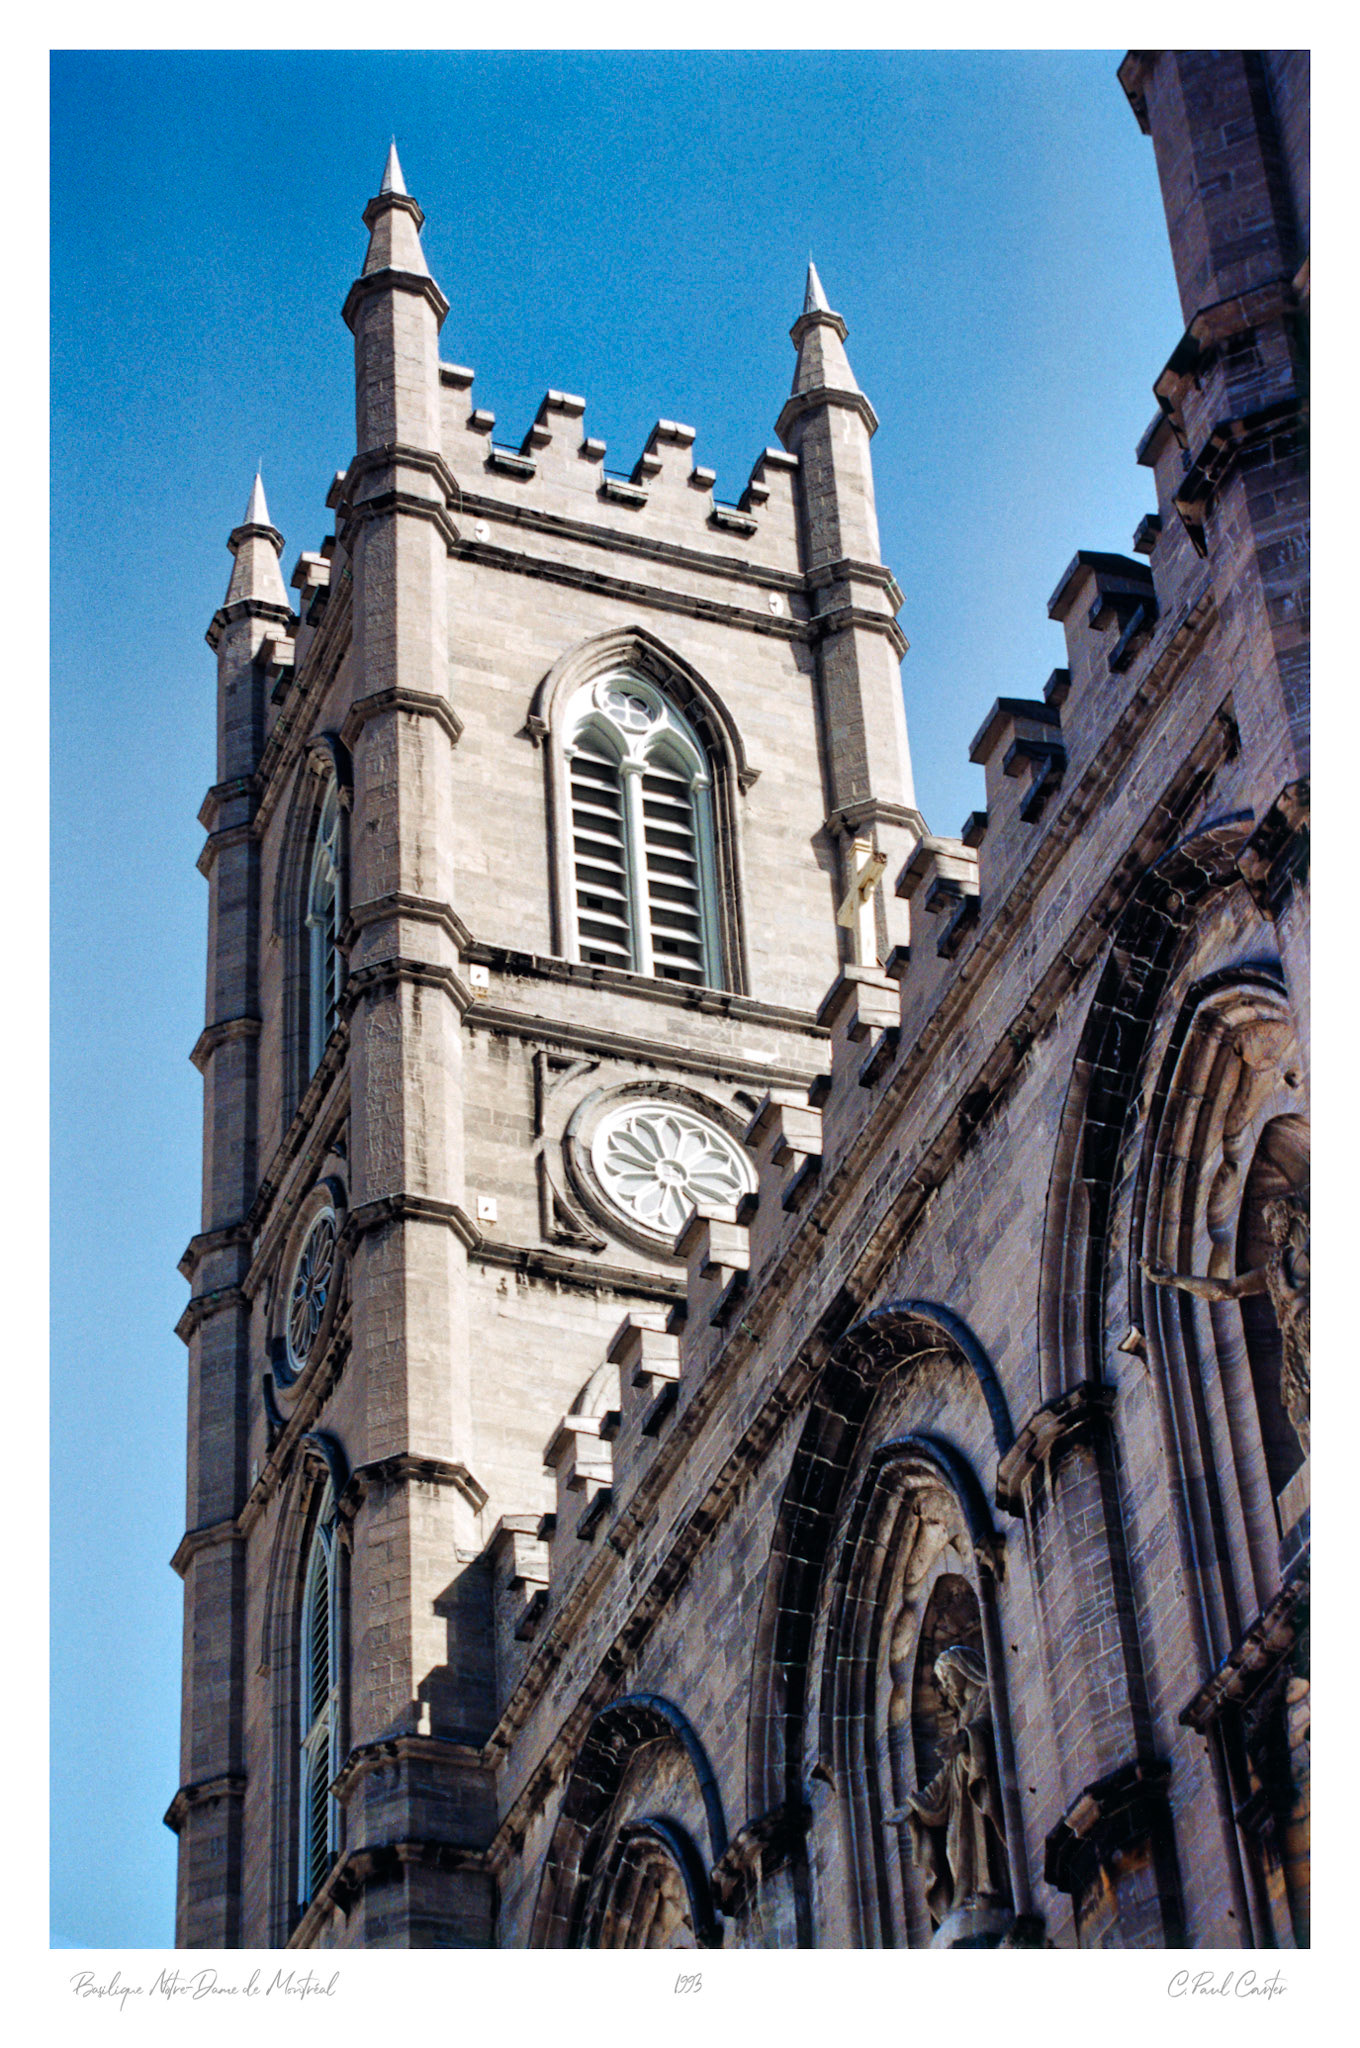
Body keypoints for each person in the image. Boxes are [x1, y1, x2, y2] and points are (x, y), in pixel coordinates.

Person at [1141, 1189, 1309, 1452]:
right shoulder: (1276, 1267)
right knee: (1302, 1410)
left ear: (1291, 1213)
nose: (1270, 1226)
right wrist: (1175, 1280)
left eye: (1273, 1217)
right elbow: (1229, 1289)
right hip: (1300, 1347)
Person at [900, 1644, 1008, 1925]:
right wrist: (916, 1804)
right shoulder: (961, 1716)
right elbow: (946, 1775)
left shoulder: (985, 1695)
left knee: (978, 1844)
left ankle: (986, 1890)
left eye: (948, 1676)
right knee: (953, 1849)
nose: (946, 1685)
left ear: (963, 1669)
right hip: (962, 1800)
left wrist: (964, 1740)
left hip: (978, 1792)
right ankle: (967, 1896)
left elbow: (986, 1724)